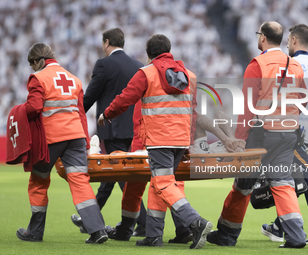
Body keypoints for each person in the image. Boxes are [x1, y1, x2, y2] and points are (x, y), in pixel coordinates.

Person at [98, 34, 213, 249]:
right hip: (180, 140)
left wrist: (107, 113)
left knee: (162, 184)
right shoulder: (189, 75)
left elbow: (126, 98)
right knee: (160, 186)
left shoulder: (147, 73)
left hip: (159, 139)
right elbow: (193, 111)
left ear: (149, 54)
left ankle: (195, 222)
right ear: (169, 50)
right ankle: (153, 235)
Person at [207, 21, 307, 248]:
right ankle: (296, 237)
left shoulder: (258, 64)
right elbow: (304, 100)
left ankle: (226, 234)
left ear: (262, 37)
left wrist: (240, 140)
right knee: (283, 183)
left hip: (262, 135)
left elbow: (248, 108)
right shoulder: (296, 65)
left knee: (243, 185)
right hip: (288, 133)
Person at [16, 43, 107, 244]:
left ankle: (35, 232)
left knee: (39, 181)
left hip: (51, 138)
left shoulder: (38, 78)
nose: (32, 69)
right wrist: (84, 140)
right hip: (75, 136)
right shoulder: (74, 80)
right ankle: (97, 230)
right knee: (80, 182)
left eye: (32, 65)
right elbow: (81, 114)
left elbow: (34, 107)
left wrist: (18, 111)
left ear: (35, 61)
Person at [261, 24, 308, 245]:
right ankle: (278, 226)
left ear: (294, 40)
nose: (287, 44)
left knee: (307, 178)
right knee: (292, 178)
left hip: (295, 131)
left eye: (287, 41)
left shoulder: (290, 65)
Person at [71, 28, 147, 236]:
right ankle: (90, 218)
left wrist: (75, 116)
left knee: (121, 175)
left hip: (111, 126)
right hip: (133, 128)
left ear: (106, 43)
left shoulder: (103, 64)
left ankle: (144, 222)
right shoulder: (139, 66)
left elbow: (91, 95)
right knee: (112, 174)